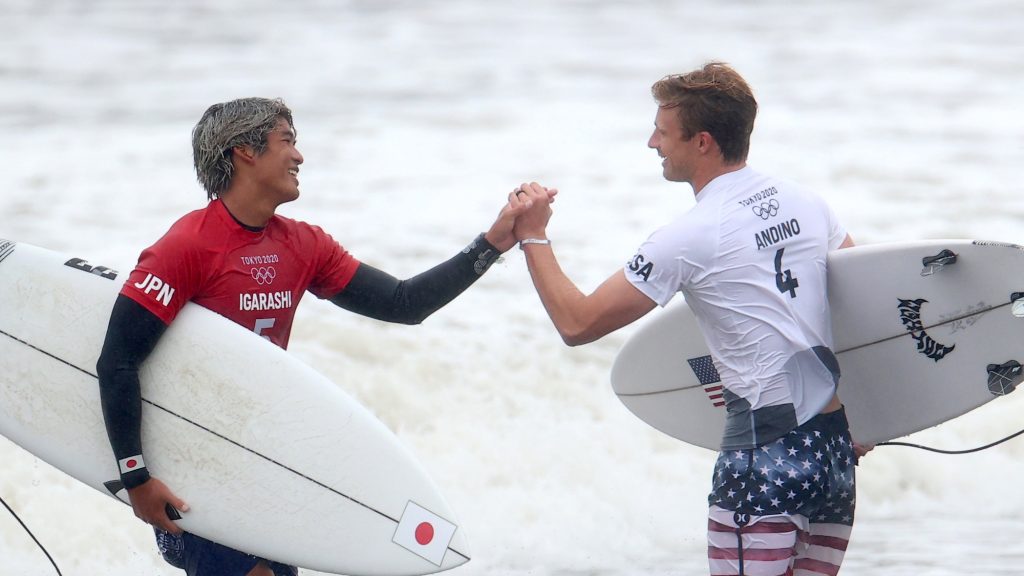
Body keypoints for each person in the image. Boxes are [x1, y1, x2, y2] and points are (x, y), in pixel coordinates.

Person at [95, 97, 544, 576]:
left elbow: (404, 304)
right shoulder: (187, 247)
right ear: (245, 151)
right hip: (197, 459)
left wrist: (493, 243)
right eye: (286, 141)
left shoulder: (303, 245)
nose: (299, 157)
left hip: (270, 455)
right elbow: (118, 361)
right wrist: (135, 477)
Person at [512, 63, 863, 576]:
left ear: (702, 142)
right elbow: (865, 304)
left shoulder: (691, 235)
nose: (652, 142)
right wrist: (876, 414)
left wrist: (533, 234)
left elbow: (577, 322)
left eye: (662, 131)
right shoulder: (808, 204)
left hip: (763, 462)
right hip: (833, 453)